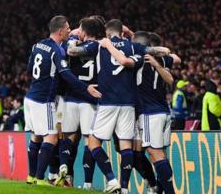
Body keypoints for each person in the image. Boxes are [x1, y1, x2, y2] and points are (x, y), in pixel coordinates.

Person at [24, 15, 101, 186]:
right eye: (67, 28)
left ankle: (30, 176)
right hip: (44, 100)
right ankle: (40, 178)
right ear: (60, 31)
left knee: (36, 137)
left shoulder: (37, 45)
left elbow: (29, 69)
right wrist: (85, 87)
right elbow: (66, 74)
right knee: (51, 138)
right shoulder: (57, 51)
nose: (69, 30)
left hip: (30, 97)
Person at [86, 19, 145, 194]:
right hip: (128, 104)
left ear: (106, 32)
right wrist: (130, 33)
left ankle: (112, 180)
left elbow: (75, 50)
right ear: (122, 31)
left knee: (93, 142)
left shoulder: (101, 45)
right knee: (126, 144)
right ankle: (125, 188)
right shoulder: (134, 47)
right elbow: (146, 46)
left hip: (108, 101)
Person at [56, 17, 103, 188]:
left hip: (72, 97)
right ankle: (88, 183)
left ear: (84, 31)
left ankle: (65, 173)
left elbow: (69, 51)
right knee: (88, 141)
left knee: (67, 137)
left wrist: (72, 39)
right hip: (90, 100)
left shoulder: (74, 45)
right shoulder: (101, 46)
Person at [135, 31, 180, 194]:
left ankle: (169, 191)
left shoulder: (140, 60)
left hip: (149, 113)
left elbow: (170, 80)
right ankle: (160, 189)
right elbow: (175, 61)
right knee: (160, 154)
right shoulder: (164, 59)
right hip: (164, 113)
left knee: (155, 154)